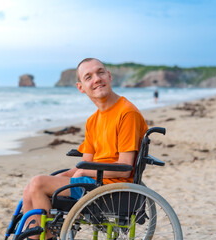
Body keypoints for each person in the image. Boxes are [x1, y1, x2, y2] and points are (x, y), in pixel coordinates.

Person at [22, 58, 148, 240]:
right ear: (81, 87)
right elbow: (86, 163)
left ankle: (48, 236)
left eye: (100, 72)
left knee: (38, 183)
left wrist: (82, 171)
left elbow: (126, 166)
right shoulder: (93, 120)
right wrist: (63, 177)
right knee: (30, 189)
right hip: (92, 182)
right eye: (88, 77)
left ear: (109, 76)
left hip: (111, 189)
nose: (96, 79)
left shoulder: (126, 113)